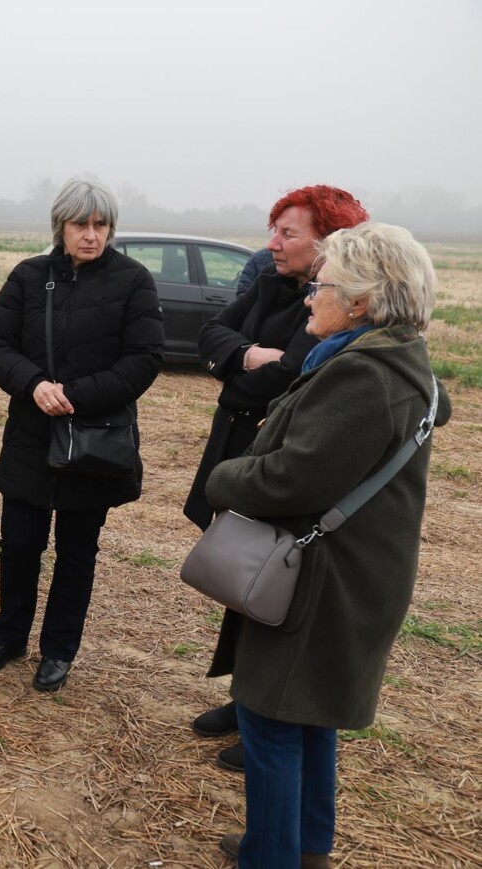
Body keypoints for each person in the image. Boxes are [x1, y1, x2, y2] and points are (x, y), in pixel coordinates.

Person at [207, 223, 449, 868]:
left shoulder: (362, 377)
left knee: (269, 719)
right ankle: (300, 846)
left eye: (324, 285)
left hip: (324, 581)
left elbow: (293, 478)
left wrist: (224, 475)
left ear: (364, 302)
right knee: (307, 715)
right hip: (354, 573)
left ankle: (272, 858)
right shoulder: (398, 365)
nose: (310, 296)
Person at [186, 185, 369, 774]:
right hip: (241, 447)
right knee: (243, 577)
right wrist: (246, 356)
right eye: (275, 231)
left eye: (287, 233)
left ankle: (261, 714)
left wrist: (242, 365)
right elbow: (210, 336)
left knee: (272, 584)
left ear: (329, 240)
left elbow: (286, 379)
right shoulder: (267, 279)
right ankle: (245, 702)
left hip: (276, 458)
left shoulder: (332, 308)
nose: (272, 244)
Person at [0, 179, 163, 692]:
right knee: (18, 545)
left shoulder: (133, 281)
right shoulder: (30, 277)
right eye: (81, 224)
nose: (92, 235)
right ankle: (8, 636)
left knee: (77, 554)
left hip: (94, 439)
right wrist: (34, 385)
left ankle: (58, 649)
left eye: (101, 225)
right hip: (32, 435)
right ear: (61, 226)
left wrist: (75, 394)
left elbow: (144, 360)